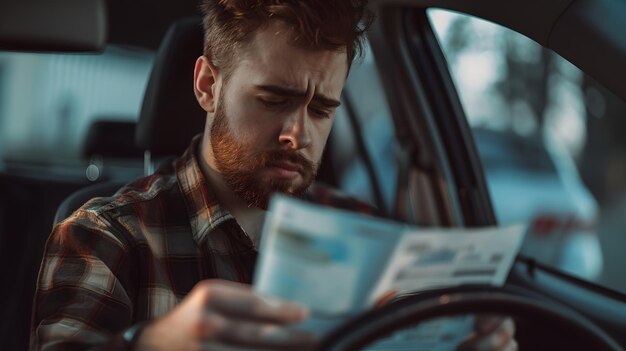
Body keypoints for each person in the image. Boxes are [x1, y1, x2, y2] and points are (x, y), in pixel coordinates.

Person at [30, 1, 516, 350]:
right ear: (207, 86)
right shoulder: (105, 234)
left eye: (322, 109)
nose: (298, 134)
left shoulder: (361, 230)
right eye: (273, 99)